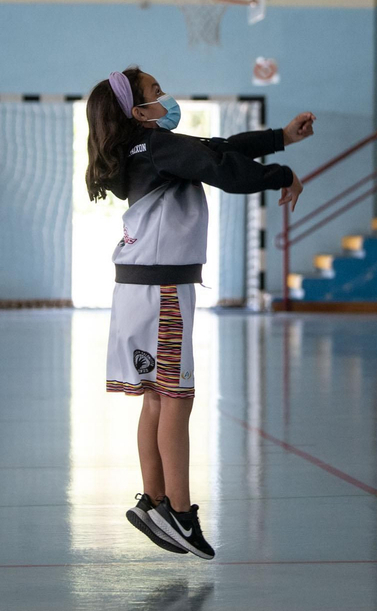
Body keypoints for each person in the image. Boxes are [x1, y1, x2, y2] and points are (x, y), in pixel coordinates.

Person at [84, 68, 311, 559]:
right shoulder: (160, 148)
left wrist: (280, 139)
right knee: (177, 398)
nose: (166, 97)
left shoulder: (144, 150)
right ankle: (181, 515)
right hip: (162, 290)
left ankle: (154, 502)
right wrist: (281, 175)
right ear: (137, 113)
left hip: (137, 290)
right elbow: (224, 171)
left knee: (156, 399)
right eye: (155, 92)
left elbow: (220, 146)